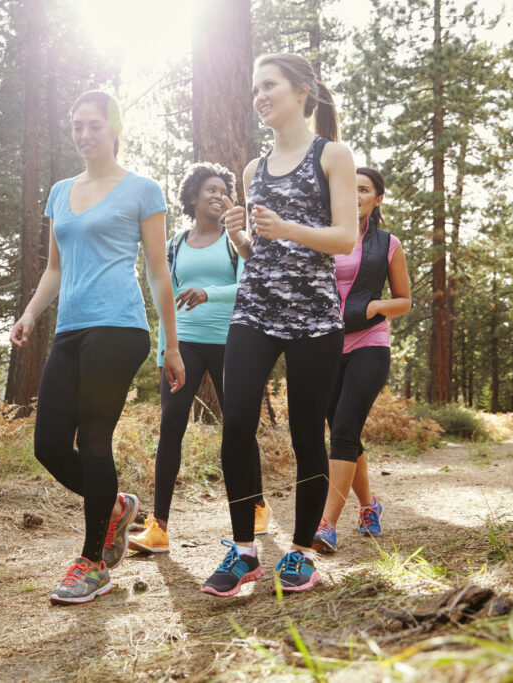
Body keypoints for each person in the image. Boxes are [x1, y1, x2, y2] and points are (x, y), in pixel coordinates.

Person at [9, 90, 185, 605]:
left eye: (93, 125)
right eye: (76, 125)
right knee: (47, 445)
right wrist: (30, 312)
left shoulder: (142, 189)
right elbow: (55, 269)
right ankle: (115, 505)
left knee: (94, 441)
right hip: (71, 329)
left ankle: (92, 563)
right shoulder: (61, 191)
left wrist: (170, 344)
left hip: (120, 326)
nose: (84, 134)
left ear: (114, 128)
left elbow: (157, 270)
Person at [201, 53, 358, 597]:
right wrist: (241, 234)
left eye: (269, 85)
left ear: (301, 91)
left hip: (314, 316)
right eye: (254, 89)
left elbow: (345, 239)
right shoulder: (252, 170)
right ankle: (244, 551)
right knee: (238, 420)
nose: (259, 96)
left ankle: (300, 553)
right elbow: (257, 252)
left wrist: (286, 225)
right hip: (256, 309)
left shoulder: (332, 154)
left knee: (304, 431)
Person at [128, 163, 271, 554]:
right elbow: (165, 298)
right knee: (171, 425)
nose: (217, 195)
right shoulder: (174, 244)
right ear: (192, 197)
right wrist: (165, 350)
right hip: (185, 342)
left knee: (238, 427)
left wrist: (210, 292)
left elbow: (250, 285)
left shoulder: (234, 239)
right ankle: (159, 526)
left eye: (223, 190)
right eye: (209, 189)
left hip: (232, 341)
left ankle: (256, 504)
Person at [312, 168, 410, 553]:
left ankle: (326, 525)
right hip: (324, 345)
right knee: (342, 431)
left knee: (344, 430)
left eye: (364, 189)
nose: (355, 195)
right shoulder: (322, 237)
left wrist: (374, 306)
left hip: (370, 343)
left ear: (377, 199)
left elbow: (404, 300)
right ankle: (370, 507)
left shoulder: (387, 243)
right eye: (348, 187)